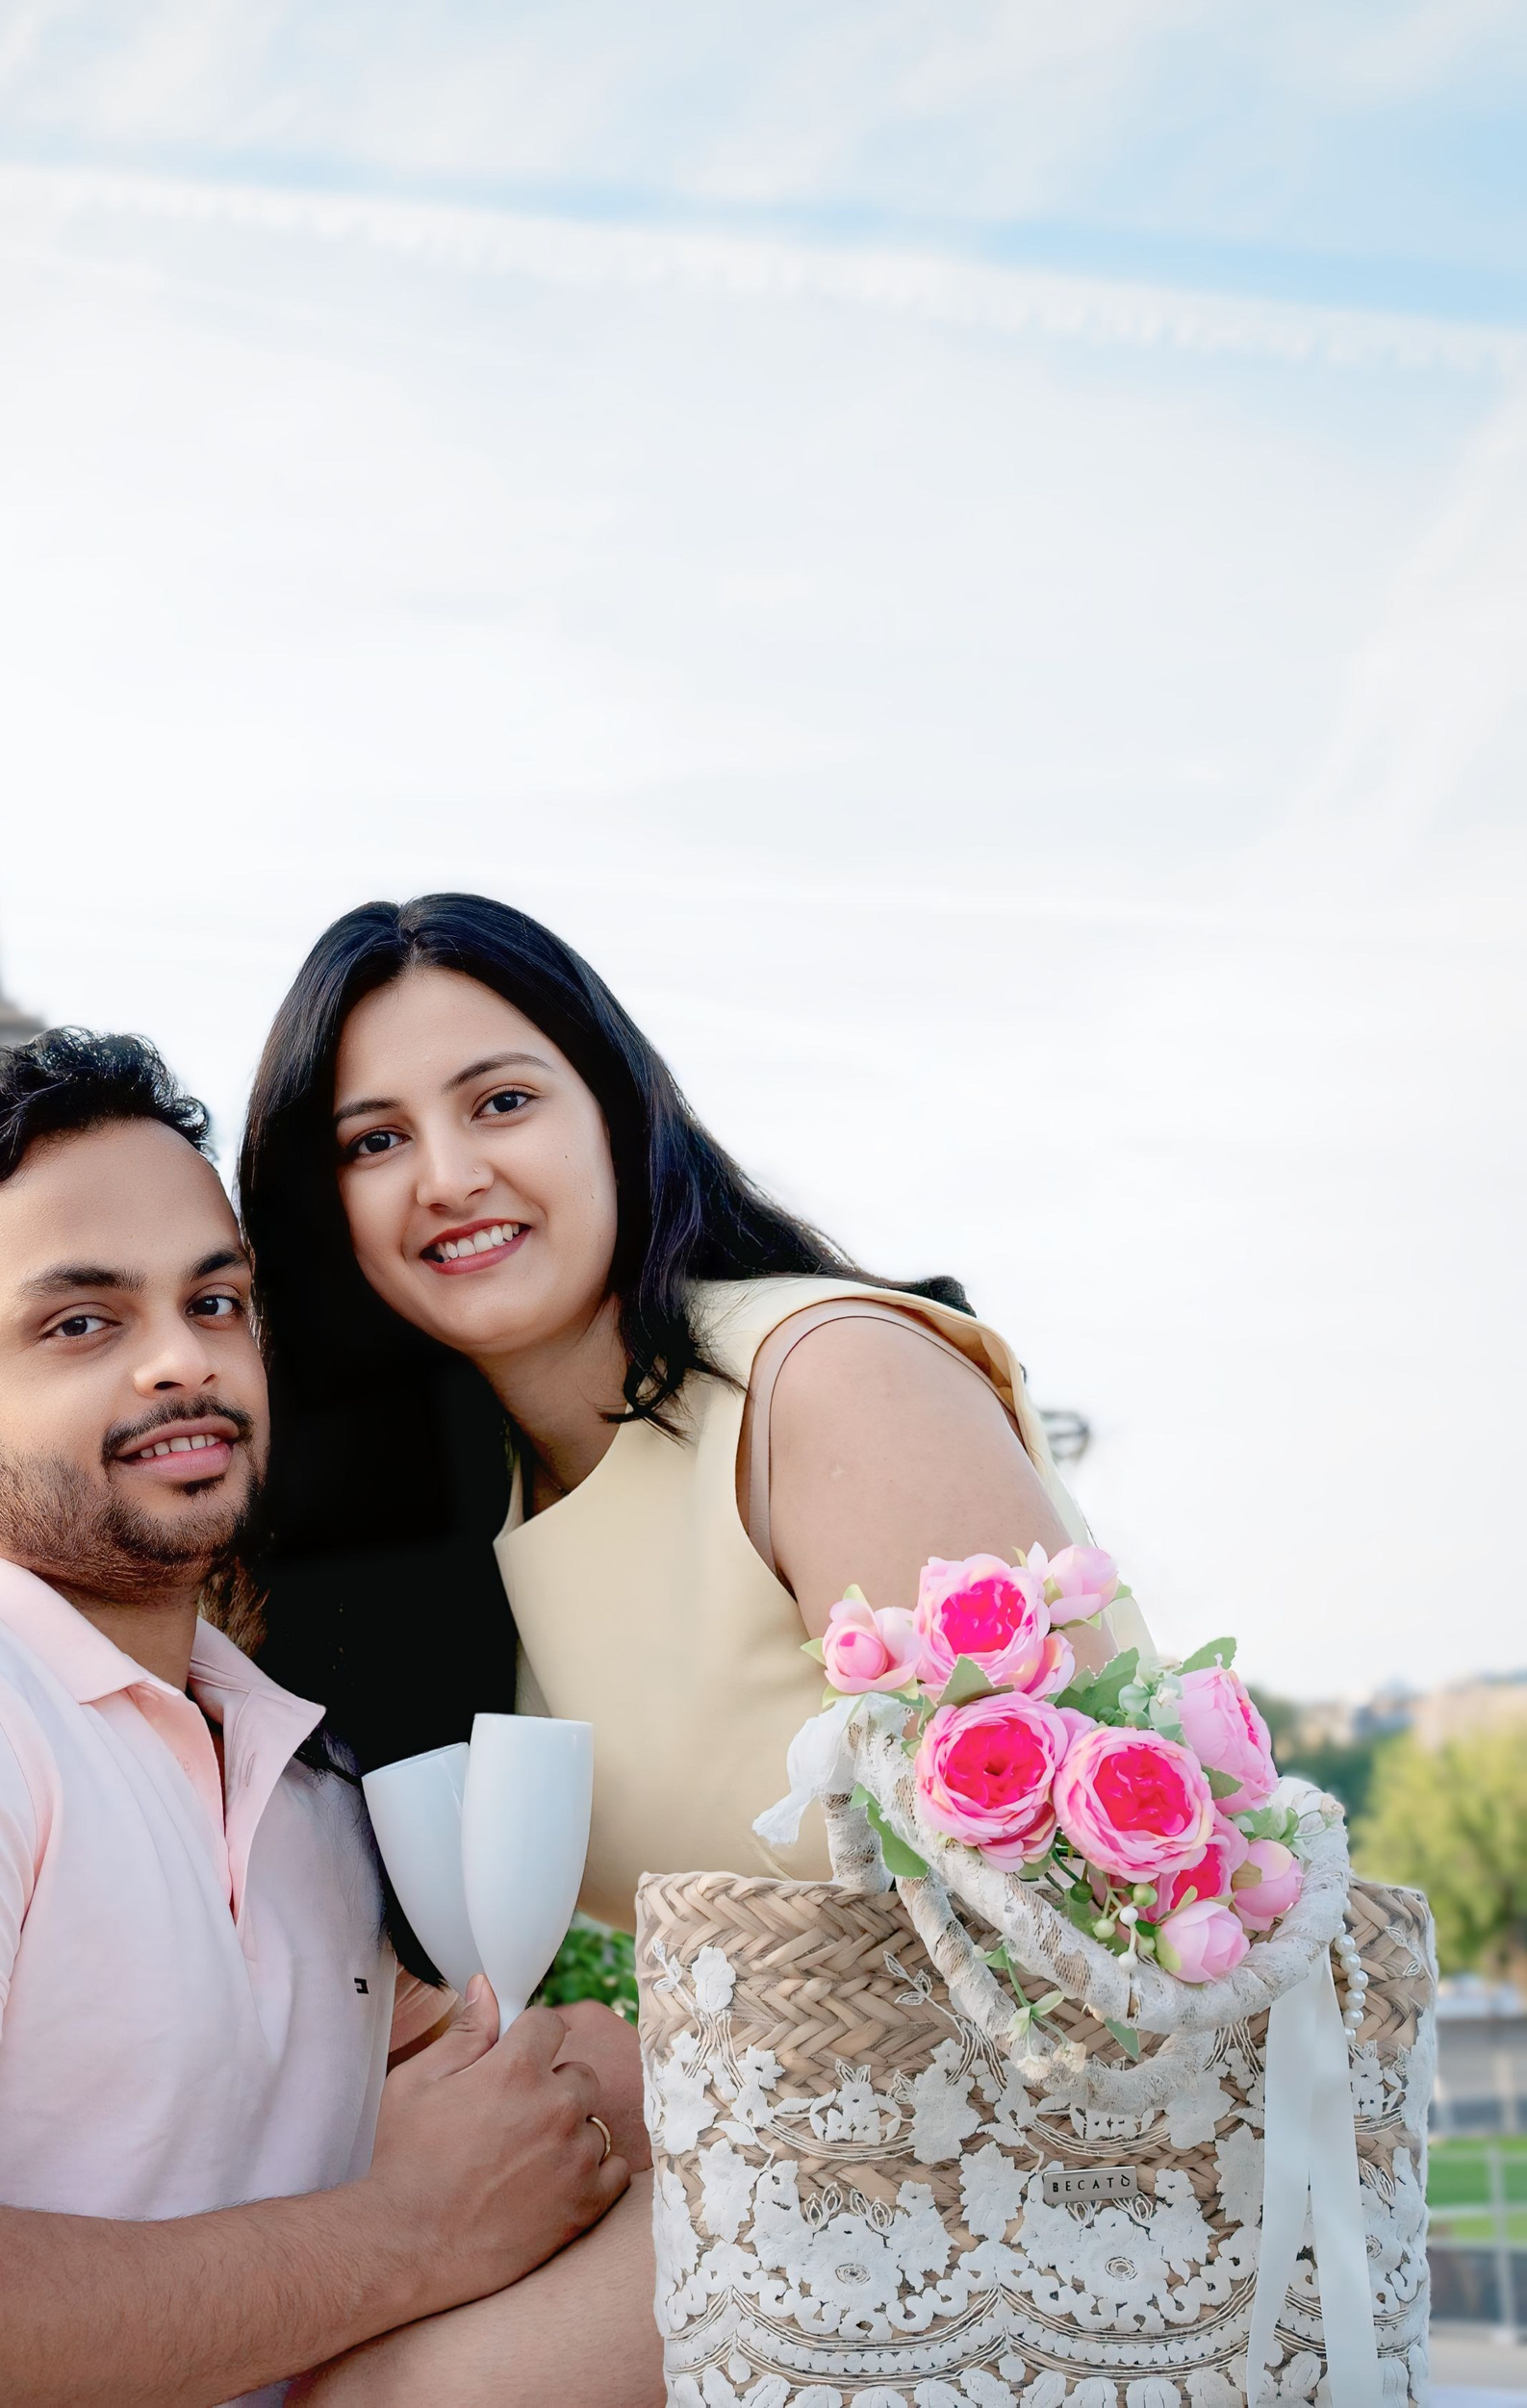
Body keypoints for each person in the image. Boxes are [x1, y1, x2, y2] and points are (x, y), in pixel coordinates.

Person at [0, 1027, 629, 2408]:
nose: (178, 1363)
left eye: (215, 1304)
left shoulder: (301, 1772)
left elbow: (486, 2110)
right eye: (81, 1322)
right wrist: (413, 2233)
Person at [240, 894, 1156, 2403]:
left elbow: (1079, 1930)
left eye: (503, 1101)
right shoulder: (458, 1513)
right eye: (372, 1139)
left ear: (620, 1109)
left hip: (1025, 2140)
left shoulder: (822, 1385)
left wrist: (639, 2077)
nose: (450, 1175)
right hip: (786, 2129)